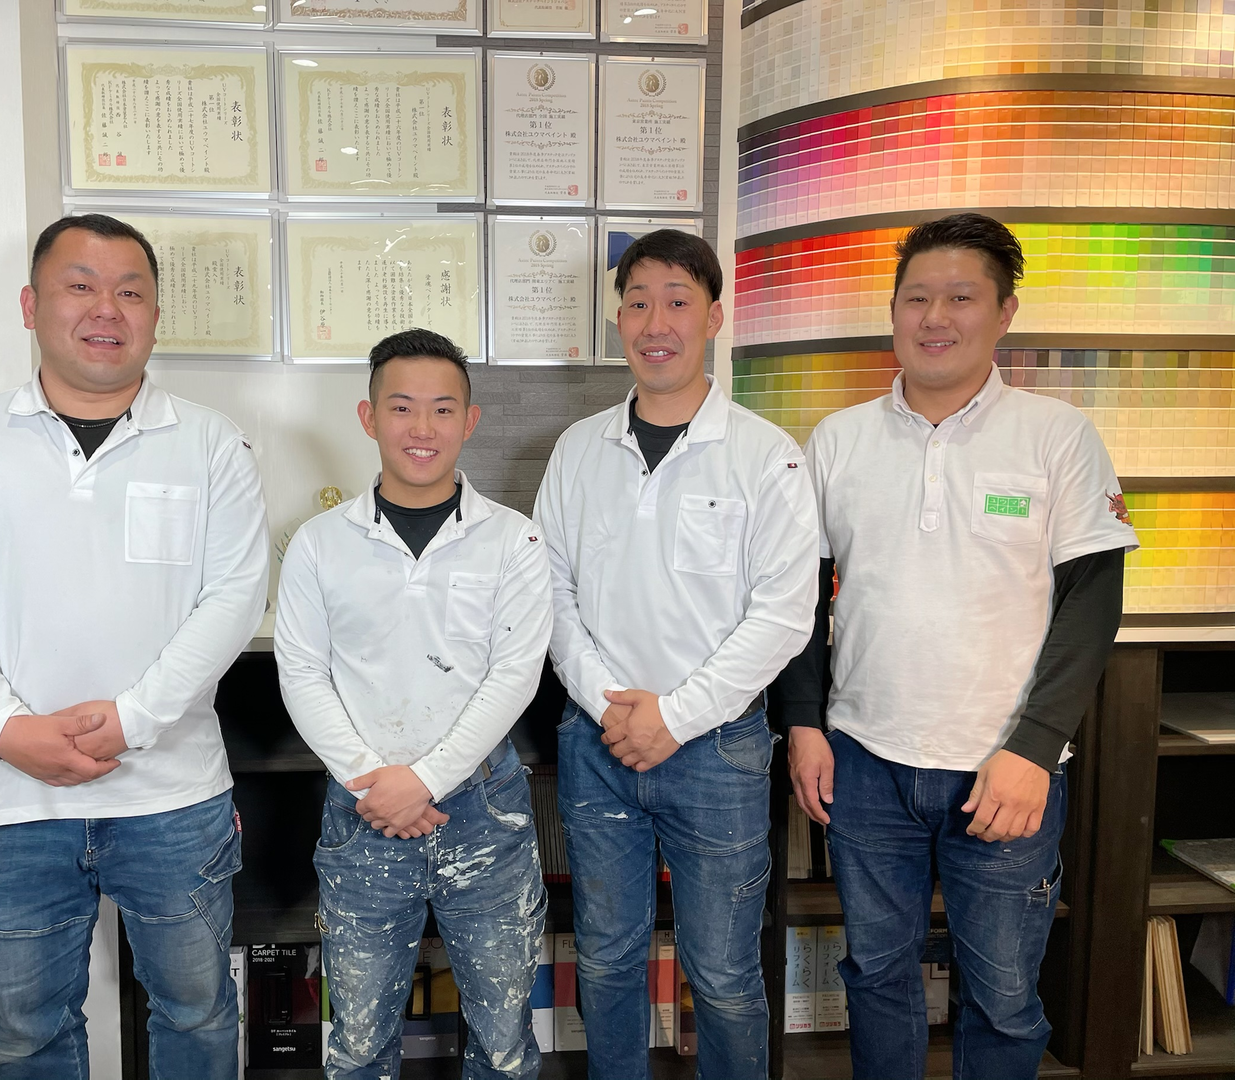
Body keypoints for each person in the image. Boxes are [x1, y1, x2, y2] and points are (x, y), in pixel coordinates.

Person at [0, 213, 270, 1080]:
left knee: (198, 1015)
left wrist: (136, 718)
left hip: (172, 795)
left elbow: (233, 597)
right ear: (31, 306)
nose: (107, 309)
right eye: (81, 286)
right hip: (13, 799)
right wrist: (7, 730)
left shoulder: (211, 443)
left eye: (130, 292)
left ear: (155, 317)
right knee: (29, 1033)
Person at [778, 213, 1137, 1080]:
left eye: (961, 297)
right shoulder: (838, 440)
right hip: (865, 763)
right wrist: (805, 724)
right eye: (916, 298)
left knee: (1004, 998)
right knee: (876, 976)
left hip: (1004, 768)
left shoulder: (1056, 435)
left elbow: (1093, 604)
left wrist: (1033, 749)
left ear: (1004, 312)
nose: (934, 317)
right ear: (894, 312)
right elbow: (800, 596)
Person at [534, 230, 820, 1080]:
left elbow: (784, 615)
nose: (655, 322)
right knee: (607, 959)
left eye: (678, 301)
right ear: (619, 317)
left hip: (719, 750)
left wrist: (676, 716)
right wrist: (609, 705)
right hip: (599, 742)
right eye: (637, 302)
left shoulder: (766, 455)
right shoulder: (579, 448)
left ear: (714, 317)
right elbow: (548, 592)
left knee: (725, 975)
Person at [274, 329, 552, 1080]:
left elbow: (515, 676)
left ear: (470, 420)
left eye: (442, 409)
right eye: (401, 407)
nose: (421, 428)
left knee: (504, 1044)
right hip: (362, 810)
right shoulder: (319, 543)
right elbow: (302, 673)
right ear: (368, 417)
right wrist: (375, 780)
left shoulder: (515, 541)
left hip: (484, 812)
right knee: (359, 1044)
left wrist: (423, 780)